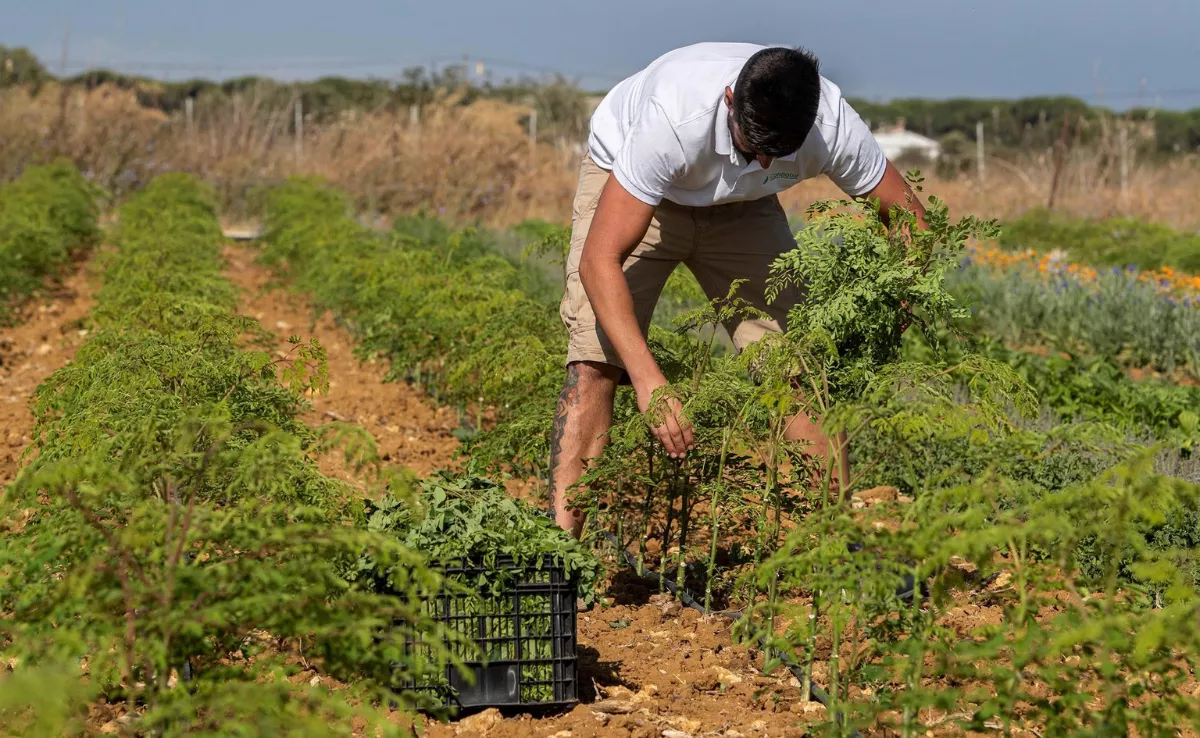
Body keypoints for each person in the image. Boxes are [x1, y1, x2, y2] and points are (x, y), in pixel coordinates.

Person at [550, 42, 927, 537]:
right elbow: (600, 260)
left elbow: (910, 219)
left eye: (779, 153)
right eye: (754, 144)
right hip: (641, 190)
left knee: (798, 366)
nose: (765, 158)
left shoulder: (832, 125)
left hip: (745, 208)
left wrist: (897, 302)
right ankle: (560, 563)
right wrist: (650, 383)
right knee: (595, 362)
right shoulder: (673, 118)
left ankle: (831, 551)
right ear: (730, 100)